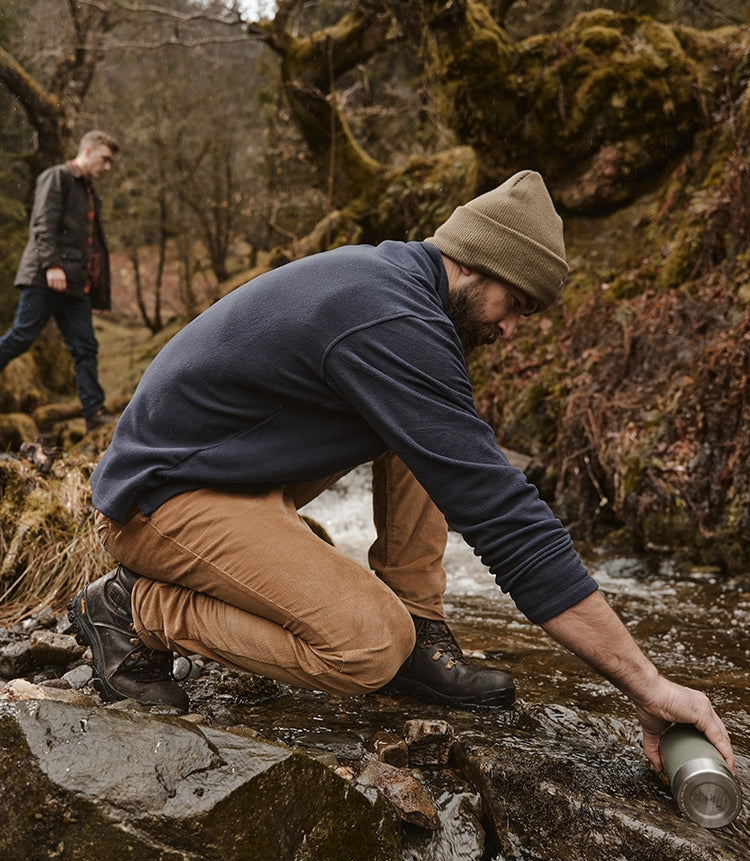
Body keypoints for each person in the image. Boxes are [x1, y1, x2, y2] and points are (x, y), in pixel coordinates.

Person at [68, 170, 735, 776]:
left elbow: (460, 458)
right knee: (366, 646)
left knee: (438, 430)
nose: (512, 330)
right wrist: (648, 685)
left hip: (226, 474)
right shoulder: (390, 319)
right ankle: (132, 608)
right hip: (157, 502)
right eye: (519, 303)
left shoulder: (399, 290)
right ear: (481, 264)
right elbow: (508, 524)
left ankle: (423, 630)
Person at [1, 130, 119, 432]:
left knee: (85, 347)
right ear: (88, 150)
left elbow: (92, 246)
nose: (108, 167)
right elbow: (43, 223)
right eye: (105, 159)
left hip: (75, 286)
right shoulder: (57, 177)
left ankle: (94, 413)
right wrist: (52, 265)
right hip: (45, 277)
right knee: (22, 337)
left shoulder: (90, 193)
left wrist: (98, 294)